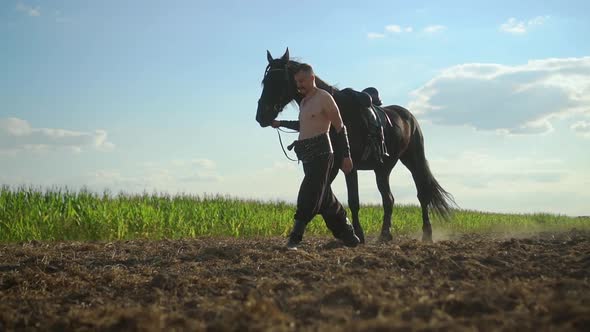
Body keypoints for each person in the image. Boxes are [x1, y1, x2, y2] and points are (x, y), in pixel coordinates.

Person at [271, 63, 360, 250]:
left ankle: (295, 238)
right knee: (325, 196)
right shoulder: (304, 102)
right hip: (307, 156)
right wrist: (280, 123)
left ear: (312, 78)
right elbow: (302, 125)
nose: (299, 85)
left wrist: (346, 156)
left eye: (302, 81)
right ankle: (349, 235)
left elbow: (340, 127)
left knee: (308, 193)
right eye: (297, 82)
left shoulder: (324, 98)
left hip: (322, 154)